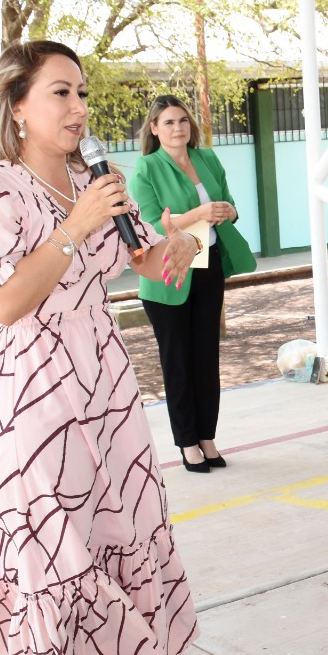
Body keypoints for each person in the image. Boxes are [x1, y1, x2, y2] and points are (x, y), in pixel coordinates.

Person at [0, 41, 203, 655]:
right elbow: (3, 302)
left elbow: (151, 267)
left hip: (104, 387)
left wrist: (179, 243)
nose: (78, 107)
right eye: (60, 93)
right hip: (33, 397)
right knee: (51, 561)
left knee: (107, 543)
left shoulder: (96, 178)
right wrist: (74, 225)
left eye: (82, 92)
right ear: (18, 106)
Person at [130, 95, 258, 472]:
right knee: (179, 363)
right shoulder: (146, 169)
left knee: (206, 359)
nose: (178, 128)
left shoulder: (208, 159)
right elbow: (152, 225)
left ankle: (207, 436)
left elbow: (230, 205)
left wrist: (227, 211)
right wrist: (200, 213)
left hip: (210, 266)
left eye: (183, 120)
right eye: (168, 122)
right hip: (170, 272)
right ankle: (187, 443)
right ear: (154, 129)